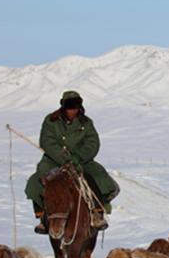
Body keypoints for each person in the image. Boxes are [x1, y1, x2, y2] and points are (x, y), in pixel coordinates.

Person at [25, 91, 119, 234]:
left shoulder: (86, 123)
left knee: (99, 177)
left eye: (75, 108)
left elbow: (93, 143)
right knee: (36, 182)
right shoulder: (51, 121)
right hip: (54, 160)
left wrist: (78, 157)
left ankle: (97, 212)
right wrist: (65, 158)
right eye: (69, 107)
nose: (72, 111)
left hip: (81, 160)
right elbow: (47, 142)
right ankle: (43, 217)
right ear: (63, 107)